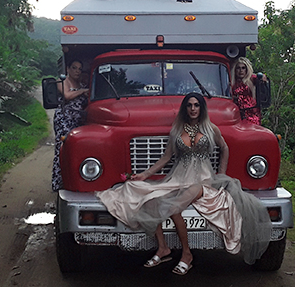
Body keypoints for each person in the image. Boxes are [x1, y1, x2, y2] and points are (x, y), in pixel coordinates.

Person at [96, 93, 271, 275]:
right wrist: (145, 174)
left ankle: (187, 255)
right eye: (189, 105)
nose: (193, 109)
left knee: (173, 208)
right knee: (150, 198)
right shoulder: (177, 129)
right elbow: (166, 157)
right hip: (178, 178)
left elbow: (224, 147)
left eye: (196, 105)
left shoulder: (211, 128)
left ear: (201, 108)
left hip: (202, 180)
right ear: (185, 108)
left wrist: (222, 173)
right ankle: (163, 248)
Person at [52, 60, 89, 191]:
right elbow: (67, 95)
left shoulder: (82, 83)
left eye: (80, 69)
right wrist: (82, 90)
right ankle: (59, 183)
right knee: (63, 149)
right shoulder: (62, 81)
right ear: (68, 68)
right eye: (74, 68)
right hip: (65, 119)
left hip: (79, 121)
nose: (77, 71)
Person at [230, 57, 267, 125]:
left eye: (243, 68)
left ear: (247, 69)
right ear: (235, 70)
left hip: (252, 114)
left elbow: (262, 78)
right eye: (238, 68)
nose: (241, 70)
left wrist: (263, 77)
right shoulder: (231, 83)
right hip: (236, 114)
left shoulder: (252, 80)